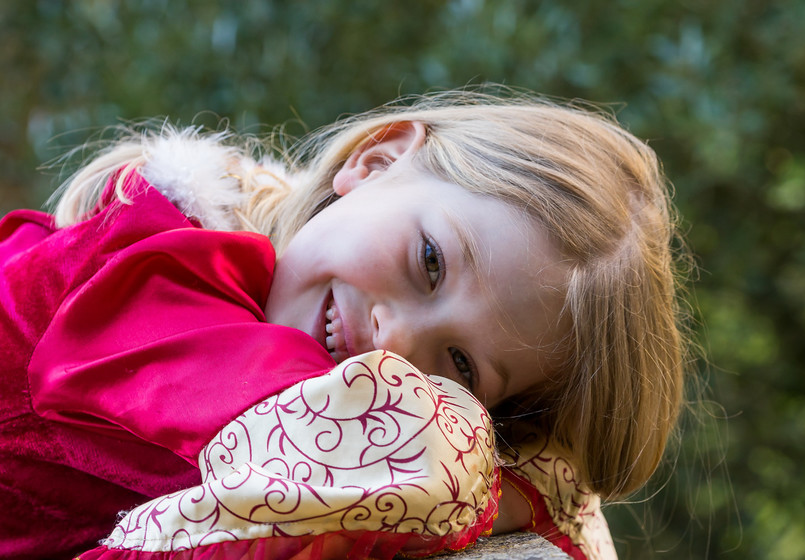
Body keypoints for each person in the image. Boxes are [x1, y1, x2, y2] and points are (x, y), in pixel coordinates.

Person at [0, 88, 688, 560]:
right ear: (377, 160)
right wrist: (513, 493)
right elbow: (398, 455)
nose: (396, 341)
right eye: (430, 262)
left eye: (461, 365)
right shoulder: (158, 278)